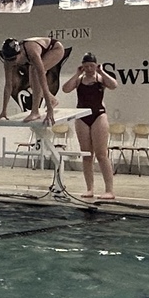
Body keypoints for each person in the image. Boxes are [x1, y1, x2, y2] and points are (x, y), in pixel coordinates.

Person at [61, 52, 117, 199]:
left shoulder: (100, 78)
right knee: (86, 154)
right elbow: (65, 89)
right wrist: (76, 74)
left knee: (101, 154)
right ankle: (89, 188)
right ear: (82, 67)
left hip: (99, 115)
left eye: (92, 66)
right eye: (86, 66)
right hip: (82, 117)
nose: (89, 69)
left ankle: (109, 190)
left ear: (96, 65)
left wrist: (102, 72)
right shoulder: (79, 80)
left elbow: (114, 85)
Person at [0, 37, 66, 125]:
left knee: (35, 72)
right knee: (33, 85)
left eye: (14, 59)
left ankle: (35, 112)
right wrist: (4, 111)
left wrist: (50, 110)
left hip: (55, 49)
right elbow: (8, 85)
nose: (12, 63)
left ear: (20, 53)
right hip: (40, 53)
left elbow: (43, 81)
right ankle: (53, 100)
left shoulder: (31, 51)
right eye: (9, 60)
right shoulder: (8, 62)